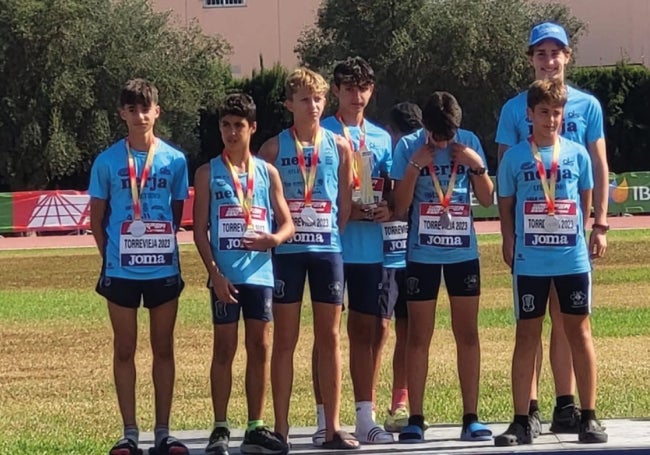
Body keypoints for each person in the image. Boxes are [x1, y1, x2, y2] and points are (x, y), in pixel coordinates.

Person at [495, 21, 610, 436]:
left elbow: (594, 170)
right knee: (529, 330)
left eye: (555, 52)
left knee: (573, 325)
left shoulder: (588, 107)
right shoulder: (513, 110)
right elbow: (509, 182)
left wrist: (598, 222)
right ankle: (527, 413)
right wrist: (508, 236)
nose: (549, 60)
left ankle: (575, 407)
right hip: (531, 248)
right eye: (540, 53)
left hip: (569, 247)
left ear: (567, 56)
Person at [258, 68, 358, 450]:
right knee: (284, 340)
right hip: (287, 254)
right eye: (304, 99)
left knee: (330, 338)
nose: (313, 106)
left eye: (318, 99)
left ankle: (332, 428)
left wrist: (327, 233)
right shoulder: (272, 149)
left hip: (327, 251)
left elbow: (344, 206)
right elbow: (263, 206)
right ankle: (281, 429)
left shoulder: (340, 146)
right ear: (289, 105)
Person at [89, 78, 190, 455]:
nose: (139, 115)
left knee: (163, 349)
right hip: (121, 271)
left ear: (157, 112)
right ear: (122, 114)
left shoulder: (175, 160)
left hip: (162, 268)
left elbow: (177, 214)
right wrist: (112, 256)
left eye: (145, 108)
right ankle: (129, 433)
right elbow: (97, 219)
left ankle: (163, 431)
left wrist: (152, 242)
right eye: (132, 109)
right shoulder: (107, 161)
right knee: (124, 350)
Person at [193, 93, 294, 455]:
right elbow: (199, 230)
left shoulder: (267, 173)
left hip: (259, 276)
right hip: (225, 277)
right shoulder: (207, 173)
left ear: (252, 128)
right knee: (224, 349)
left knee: (260, 348)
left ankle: (255, 425)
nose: (232, 132)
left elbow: (288, 224)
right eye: (225, 125)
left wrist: (273, 239)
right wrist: (215, 274)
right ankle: (220, 427)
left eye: (239, 125)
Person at [391, 91, 494, 443]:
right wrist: (415, 165)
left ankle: (471, 417)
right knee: (419, 337)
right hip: (422, 255)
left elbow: (486, 198)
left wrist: (475, 164)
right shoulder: (408, 146)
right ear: (424, 127)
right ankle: (416, 418)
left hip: (462, 254)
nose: (443, 142)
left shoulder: (468, 142)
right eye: (437, 136)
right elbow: (398, 207)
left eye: (448, 136)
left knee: (467, 334)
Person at [319, 56, 395, 445]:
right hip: (328, 244)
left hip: (369, 247)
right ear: (335, 90)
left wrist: (388, 208)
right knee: (327, 334)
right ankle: (323, 419)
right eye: (349, 88)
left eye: (363, 88)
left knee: (367, 330)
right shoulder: (321, 132)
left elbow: (392, 189)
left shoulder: (381, 138)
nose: (356, 95)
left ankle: (366, 416)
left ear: (372, 90)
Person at [382, 102, 423, 433]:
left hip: (412, 255)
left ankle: (400, 403)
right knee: (378, 331)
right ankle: (364, 403)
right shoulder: (380, 157)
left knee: (407, 333)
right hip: (384, 255)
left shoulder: (423, 158)